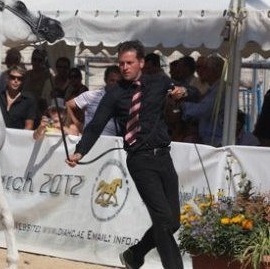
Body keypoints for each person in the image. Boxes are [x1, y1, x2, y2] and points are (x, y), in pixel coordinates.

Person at [66, 40, 197, 269]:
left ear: (141, 63)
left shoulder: (159, 82)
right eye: (121, 63)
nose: (124, 67)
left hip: (163, 158)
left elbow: (192, 92)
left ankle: (135, 254)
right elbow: (96, 125)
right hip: (139, 160)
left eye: (129, 63)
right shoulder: (114, 93)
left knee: (173, 222)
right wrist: (79, 151)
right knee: (163, 221)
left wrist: (182, 91)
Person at [66, 65, 122, 134]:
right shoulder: (92, 95)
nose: (115, 84)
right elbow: (68, 104)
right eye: (112, 80)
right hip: (91, 141)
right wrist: (79, 125)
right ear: (105, 80)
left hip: (114, 141)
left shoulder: (124, 98)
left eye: (118, 81)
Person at [183, 56, 225, 146]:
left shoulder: (220, 90)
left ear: (214, 71)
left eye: (205, 68)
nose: (201, 71)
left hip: (215, 139)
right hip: (207, 137)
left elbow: (205, 109)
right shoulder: (213, 88)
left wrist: (182, 106)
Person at [23, 48, 52, 123]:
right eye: (34, 59)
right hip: (26, 111)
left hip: (40, 113)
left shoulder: (48, 76)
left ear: (44, 61)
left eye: (40, 60)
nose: (36, 62)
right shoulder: (26, 74)